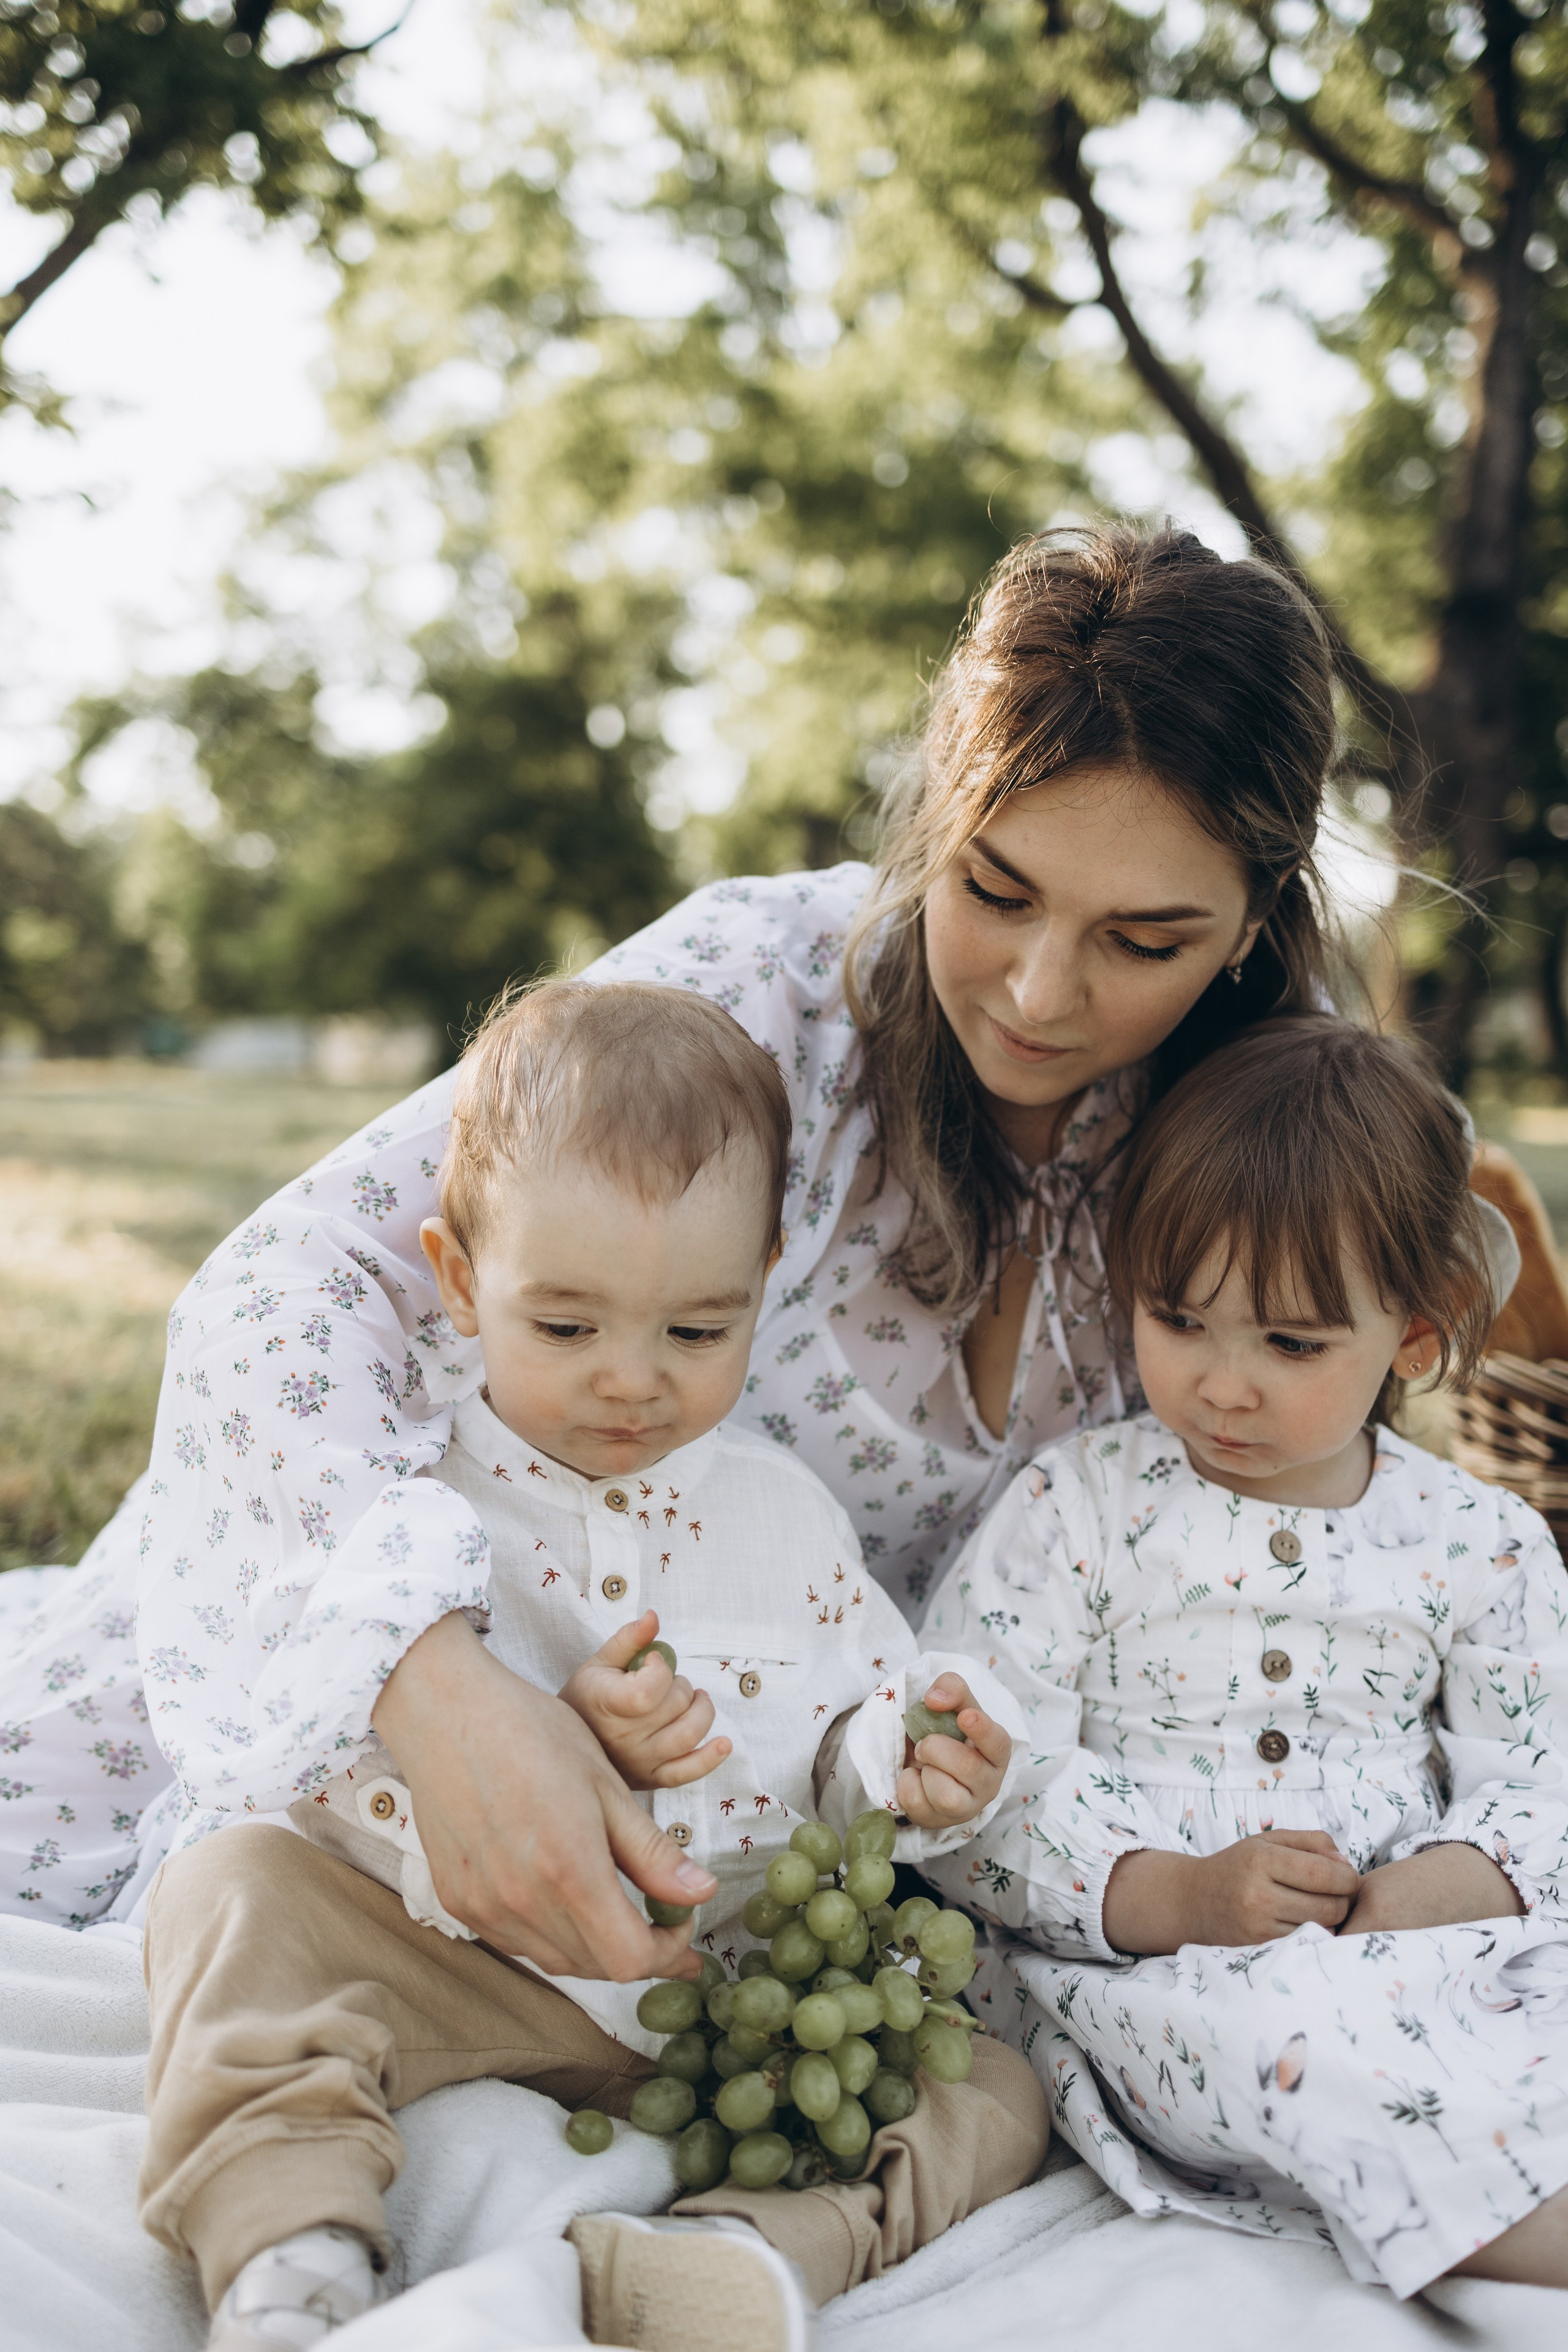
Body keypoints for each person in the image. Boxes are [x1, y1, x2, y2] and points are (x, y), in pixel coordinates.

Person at [0, 523, 1379, 1953]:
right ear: (929, 821)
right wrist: (432, 1686)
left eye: (1141, 941)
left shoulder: (1269, 1152)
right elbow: (285, 1288)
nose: (1038, 991)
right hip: (351, 1667)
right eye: (992, 890)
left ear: (1250, 924)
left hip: (760, 1868)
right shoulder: (759, 987)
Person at [137, 978, 1046, 2352]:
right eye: (565, 1328)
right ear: (459, 1280)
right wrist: (560, 1727)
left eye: (695, 1330)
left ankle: (747, 2252)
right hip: (468, 1967)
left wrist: (904, 1758)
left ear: (763, 1282)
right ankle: (292, 2240)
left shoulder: (785, 1515)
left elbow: (841, 1745)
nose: (633, 1380)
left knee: (987, 2079)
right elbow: (333, 1742)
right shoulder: (414, 1504)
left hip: (736, 1996)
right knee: (233, 1896)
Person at [918, 1016, 1568, 2298]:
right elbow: (971, 1771)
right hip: (1172, 1980)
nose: (1222, 1385)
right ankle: (1526, 2237)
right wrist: (1171, 1895)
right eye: (1179, 1319)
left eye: (1289, 1343)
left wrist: (1445, 1883)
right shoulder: (1080, 1510)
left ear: (1417, 1334)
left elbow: (1546, 1765)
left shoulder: (1474, 1541)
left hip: (1440, 1944)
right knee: (1305, 2046)